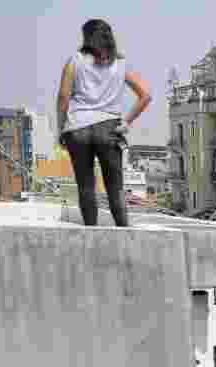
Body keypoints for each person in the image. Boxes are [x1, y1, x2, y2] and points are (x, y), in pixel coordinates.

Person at [57, 19, 152, 228]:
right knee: (115, 187)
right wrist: (126, 122)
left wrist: (61, 129)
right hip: (109, 128)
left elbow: (63, 97)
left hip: (77, 128)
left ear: (87, 37)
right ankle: (124, 234)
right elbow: (145, 95)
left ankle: (92, 234)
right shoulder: (120, 63)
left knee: (86, 186)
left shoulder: (74, 61)